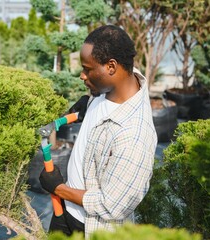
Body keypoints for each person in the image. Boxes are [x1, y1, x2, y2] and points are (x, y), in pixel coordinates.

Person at [39, 25, 157, 238]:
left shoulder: (134, 135)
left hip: (89, 229)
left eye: (87, 69)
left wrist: (58, 188)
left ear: (111, 66)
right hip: (65, 211)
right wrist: (89, 103)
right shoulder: (112, 87)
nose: (82, 76)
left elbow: (113, 205)